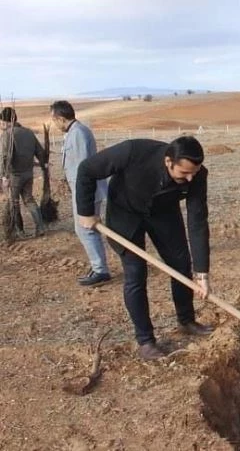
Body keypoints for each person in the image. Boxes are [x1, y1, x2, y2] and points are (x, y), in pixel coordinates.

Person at [75, 135, 214, 360]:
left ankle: (186, 320)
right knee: (136, 273)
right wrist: (86, 211)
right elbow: (87, 169)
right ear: (169, 162)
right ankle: (146, 341)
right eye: (184, 173)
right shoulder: (133, 151)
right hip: (125, 214)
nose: (190, 178)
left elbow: (197, 222)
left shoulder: (197, 176)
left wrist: (202, 274)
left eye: (194, 172)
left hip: (163, 214)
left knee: (180, 264)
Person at [50, 100, 112, 286]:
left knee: (85, 229)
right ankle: (98, 267)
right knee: (87, 229)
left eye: (54, 120)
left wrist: (84, 194)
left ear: (60, 118)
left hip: (86, 191)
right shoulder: (74, 132)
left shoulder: (78, 133)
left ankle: (100, 270)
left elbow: (85, 168)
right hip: (82, 190)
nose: (54, 124)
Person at [0, 107, 46, 237]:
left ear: (6, 121)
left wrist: (3, 176)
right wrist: (44, 164)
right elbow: (40, 151)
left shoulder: (7, 135)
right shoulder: (29, 133)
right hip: (28, 174)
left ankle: (19, 231)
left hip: (14, 175)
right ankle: (40, 227)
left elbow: (4, 157)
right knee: (29, 200)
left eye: (2, 122)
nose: (1, 125)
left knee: (14, 202)